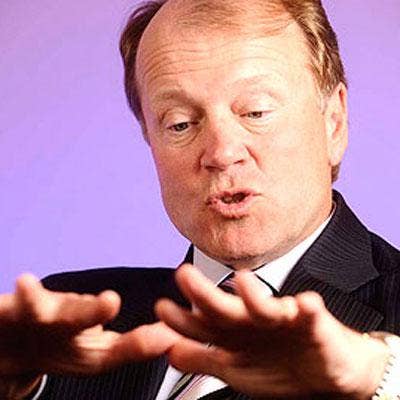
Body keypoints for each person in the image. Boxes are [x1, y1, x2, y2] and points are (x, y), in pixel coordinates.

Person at [1, 0, 399, 399]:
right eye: (180, 124)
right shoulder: (64, 331)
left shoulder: (385, 346)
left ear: (334, 123)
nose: (222, 153)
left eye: (256, 112)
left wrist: (377, 377)